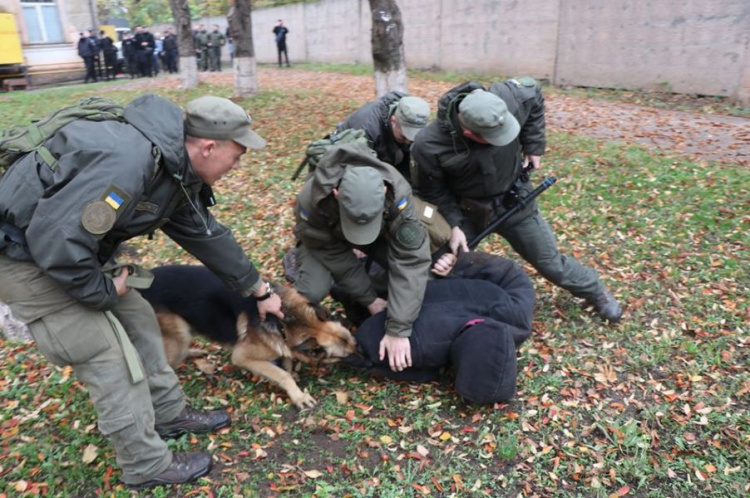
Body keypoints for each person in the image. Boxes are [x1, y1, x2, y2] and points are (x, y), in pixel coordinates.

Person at [0, 95, 284, 489]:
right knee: (106, 353)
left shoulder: (173, 169)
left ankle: (169, 414)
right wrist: (102, 290)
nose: (236, 167)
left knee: (138, 320)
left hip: (71, 250)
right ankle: (145, 464)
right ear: (208, 147)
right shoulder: (127, 163)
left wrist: (259, 289)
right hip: (24, 257)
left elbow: (206, 235)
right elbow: (56, 241)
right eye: (236, 157)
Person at [411, 79, 623, 323]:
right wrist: (455, 226)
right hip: (466, 211)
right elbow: (433, 191)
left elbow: (533, 92)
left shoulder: (504, 99)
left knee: (550, 263)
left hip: (515, 203)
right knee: (441, 264)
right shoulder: (428, 145)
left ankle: (595, 291)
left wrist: (534, 145)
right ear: (469, 132)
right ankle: (447, 310)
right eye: (493, 137)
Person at [293, 142, 431, 372]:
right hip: (325, 238)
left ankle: (375, 293)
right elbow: (331, 252)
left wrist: (398, 329)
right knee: (311, 291)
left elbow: (410, 260)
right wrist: (369, 299)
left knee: (421, 278)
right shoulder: (312, 200)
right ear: (336, 194)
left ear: (384, 193)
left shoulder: (398, 193)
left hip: (380, 233)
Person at [350, 251, 534, 404]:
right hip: (427, 265)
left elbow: (365, 357)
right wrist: (458, 263)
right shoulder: (515, 316)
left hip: (389, 293)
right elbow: (510, 273)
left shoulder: (423, 348)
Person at [336, 93, 430, 181]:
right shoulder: (367, 130)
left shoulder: (410, 112)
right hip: (349, 160)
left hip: (386, 151)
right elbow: (361, 175)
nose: (408, 141)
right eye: (404, 136)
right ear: (393, 121)